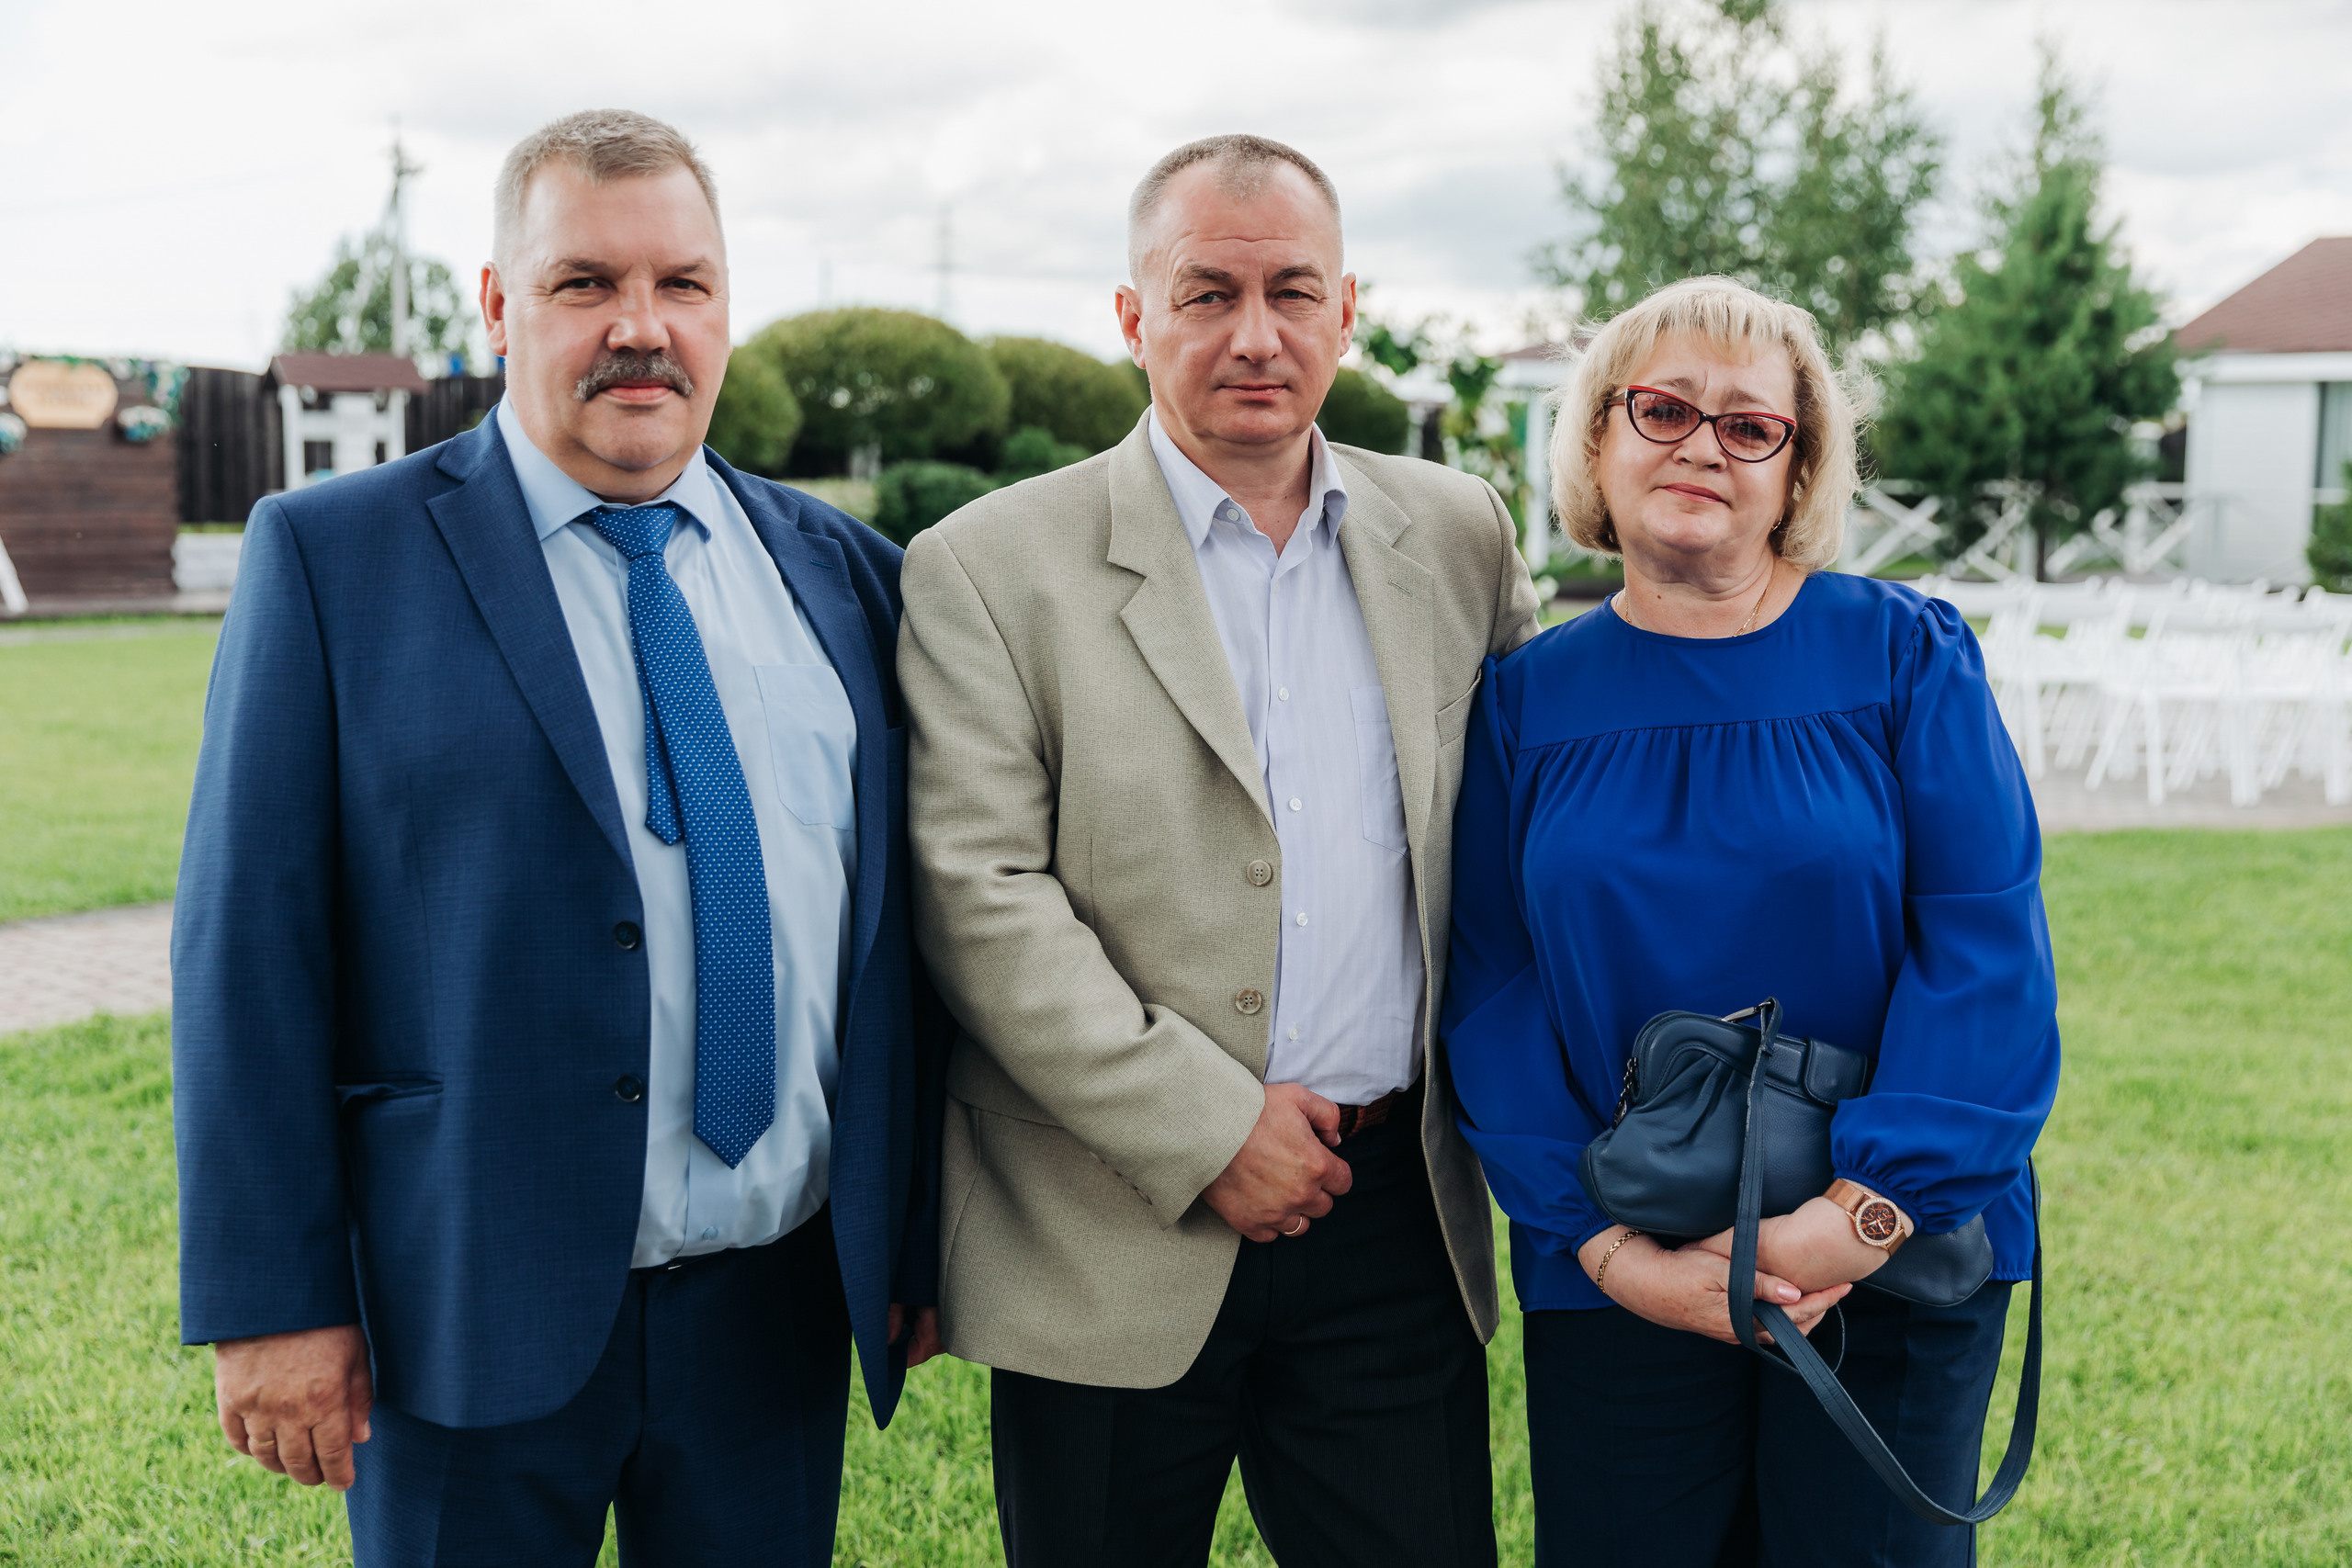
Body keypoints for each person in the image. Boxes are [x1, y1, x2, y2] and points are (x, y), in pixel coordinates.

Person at [171, 108, 944, 1566]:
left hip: (774, 1313)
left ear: (725, 306)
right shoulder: (334, 560)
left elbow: (903, 935)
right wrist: (273, 1299)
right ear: (499, 303)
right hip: (462, 1305)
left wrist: (910, 1240)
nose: (640, 329)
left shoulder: (847, 574)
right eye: (586, 283)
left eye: (683, 286)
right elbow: (246, 949)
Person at [898, 133, 1542, 1567]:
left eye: (1292, 292)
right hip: (1106, 1222)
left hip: (1392, 1226)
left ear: (1346, 310)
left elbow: (1524, 833)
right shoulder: (987, 568)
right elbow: (977, 896)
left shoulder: (1456, 533)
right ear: (1133, 318)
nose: (1255, 335)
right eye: (1205, 294)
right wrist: (1208, 1129)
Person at [1441, 274, 2059, 1567]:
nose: (1699, 447)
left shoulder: (1906, 658)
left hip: (1882, 1256)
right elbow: (1493, 993)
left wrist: (1857, 1218)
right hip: (1621, 1269)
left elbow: (1984, 944)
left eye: (1748, 425)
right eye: (1662, 408)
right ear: (1599, 440)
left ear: (1798, 467)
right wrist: (1611, 1251)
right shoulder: (1521, 706)